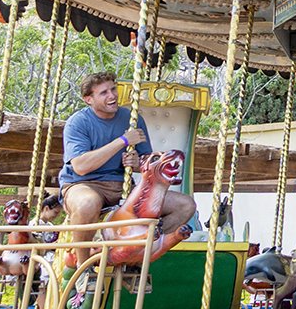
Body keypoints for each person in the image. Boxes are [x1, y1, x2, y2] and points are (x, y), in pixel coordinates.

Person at [59, 71, 197, 262]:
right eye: (104, 92)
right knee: (87, 203)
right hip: (83, 185)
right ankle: (84, 266)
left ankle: (138, 251)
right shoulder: (78, 123)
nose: (112, 95)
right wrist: (123, 140)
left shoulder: (131, 118)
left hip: (120, 185)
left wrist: (137, 163)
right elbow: (81, 166)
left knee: (185, 205)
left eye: (113, 89)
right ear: (88, 99)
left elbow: (147, 160)